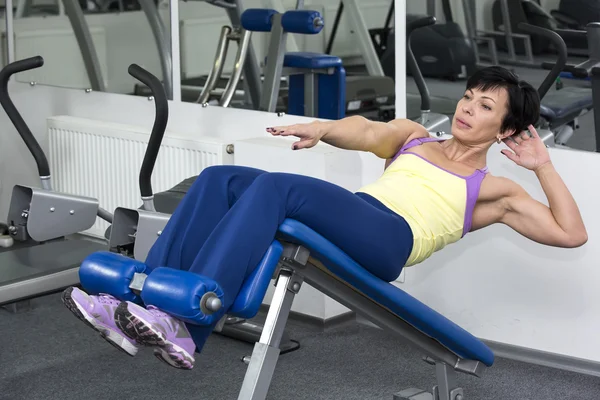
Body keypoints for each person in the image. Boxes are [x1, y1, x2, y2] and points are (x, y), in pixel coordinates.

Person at [62, 66, 587, 369]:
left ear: (504, 129)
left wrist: (542, 167)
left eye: (485, 107)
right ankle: (140, 298)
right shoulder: (413, 137)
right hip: (361, 213)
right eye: (468, 97)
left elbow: (571, 233)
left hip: (392, 239)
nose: (467, 108)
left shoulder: (492, 189)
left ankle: (189, 315)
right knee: (219, 180)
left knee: (276, 188)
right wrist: (324, 129)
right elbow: (365, 131)